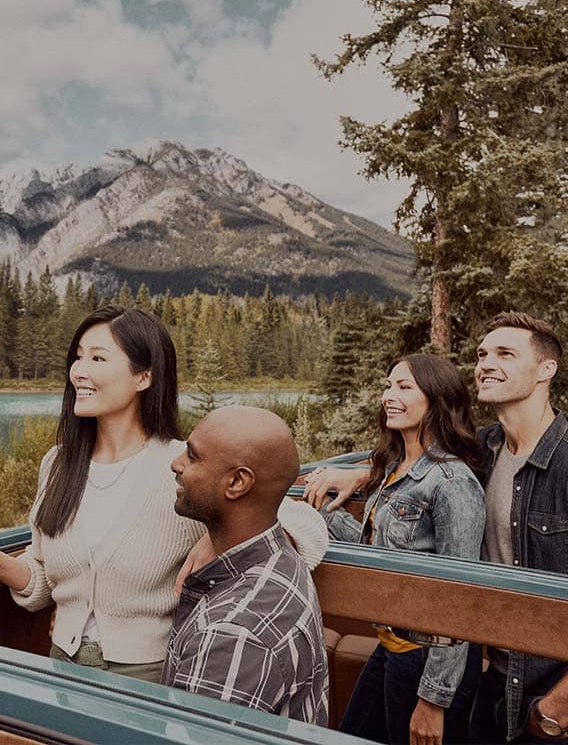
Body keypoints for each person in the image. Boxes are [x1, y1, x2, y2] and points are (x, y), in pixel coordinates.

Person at [0, 305, 328, 682]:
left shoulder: (184, 464)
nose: (79, 371)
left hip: (149, 678)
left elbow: (308, 529)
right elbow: (41, 579)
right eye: (77, 357)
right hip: (61, 668)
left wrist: (217, 541)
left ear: (144, 376)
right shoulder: (57, 463)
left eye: (98, 358)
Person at [304, 353, 486, 745]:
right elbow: (376, 550)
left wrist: (434, 700)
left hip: (428, 658)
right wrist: (312, 510)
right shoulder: (393, 468)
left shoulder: (452, 483)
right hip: (392, 645)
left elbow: (458, 596)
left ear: (436, 399)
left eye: (404, 387)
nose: (389, 395)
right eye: (388, 386)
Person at [163, 405, 329, 726]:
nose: (176, 463)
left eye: (193, 457)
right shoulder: (281, 558)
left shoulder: (233, 636)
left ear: (237, 482)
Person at [469, 311, 568, 744]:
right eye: (482, 354)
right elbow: (416, 463)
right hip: (490, 680)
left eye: (505, 353)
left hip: (551, 696)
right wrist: (361, 475)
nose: (486, 363)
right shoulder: (482, 448)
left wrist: (555, 710)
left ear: (546, 369)